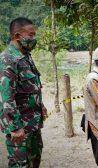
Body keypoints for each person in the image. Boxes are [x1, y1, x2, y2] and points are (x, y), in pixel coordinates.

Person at [0, 17, 48, 168]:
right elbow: (6, 96)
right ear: (17, 36)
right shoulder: (8, 59)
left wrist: (42, 105)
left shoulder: (25, 56)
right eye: (31, 35)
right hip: (20, 128)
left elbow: (30, 87)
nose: (34, 38)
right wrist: (15, 127)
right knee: (20, 165)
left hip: (32, 124)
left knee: (34, 162)